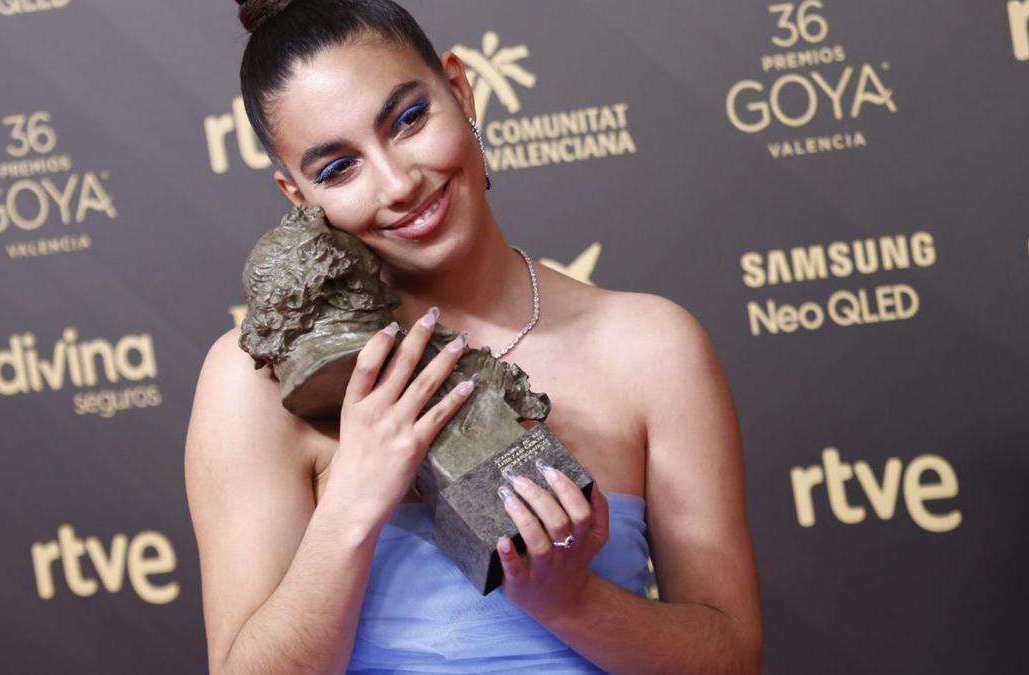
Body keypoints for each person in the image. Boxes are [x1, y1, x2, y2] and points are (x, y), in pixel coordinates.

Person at [184, 0, 763, 672]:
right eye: (338, 167)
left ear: (459, 89)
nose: (399, 183)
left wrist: (568, 599)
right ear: (298, 197)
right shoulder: (255, 381)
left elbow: (730, 657)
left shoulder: (651, 347)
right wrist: (351, 505)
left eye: (408, 120)